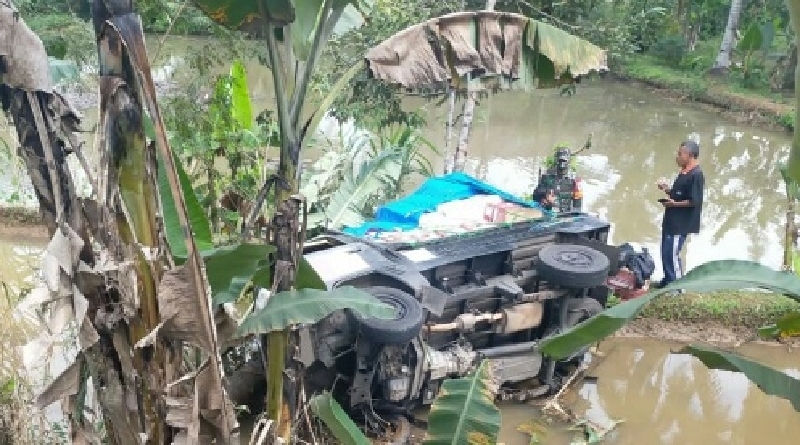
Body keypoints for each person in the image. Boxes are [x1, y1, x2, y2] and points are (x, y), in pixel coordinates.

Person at [655, 140, 705, 289]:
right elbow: (678, 195)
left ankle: (677, 288)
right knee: (666, 253)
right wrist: (666, 189)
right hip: (671, 220)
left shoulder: (696, 175)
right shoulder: (684, 172)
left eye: (680, 154)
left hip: (680, 223)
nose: (677, 157)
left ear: (690, 155)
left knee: (673, 255)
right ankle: (667, 281)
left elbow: (694, 201)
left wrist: (674, 205)